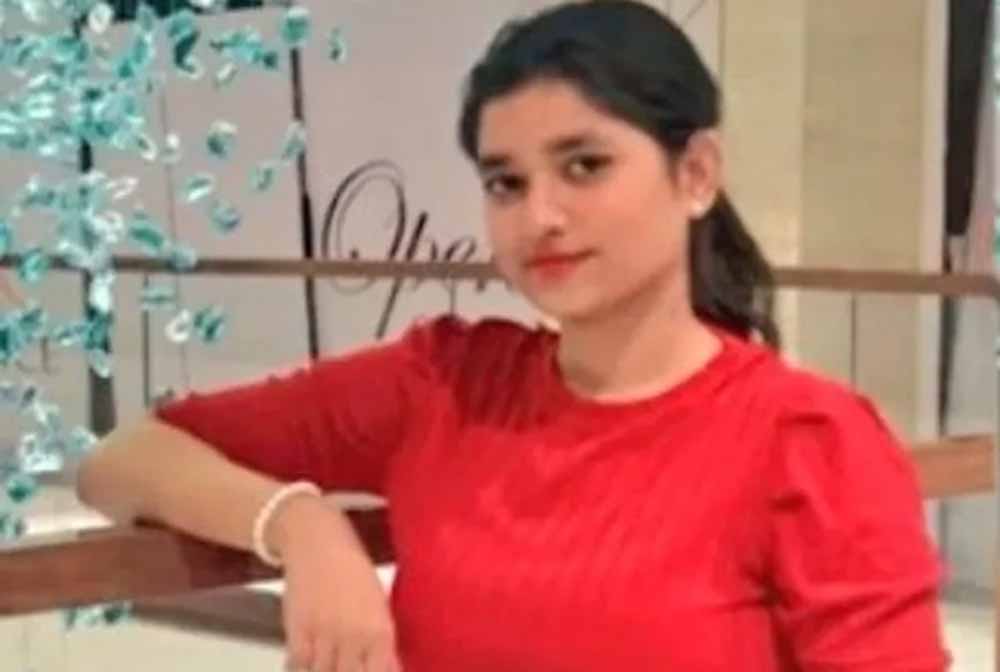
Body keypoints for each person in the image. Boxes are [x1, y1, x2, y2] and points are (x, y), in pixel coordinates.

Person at [77, 2, 951, 670]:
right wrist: (298, 524)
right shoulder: (444, 383)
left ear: (695, 174)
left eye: (585, 166)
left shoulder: (810, 442)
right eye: (506, 182)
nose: (541, 217)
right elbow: (121, 460)